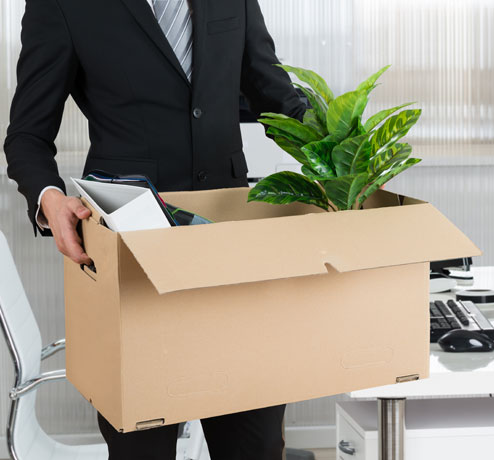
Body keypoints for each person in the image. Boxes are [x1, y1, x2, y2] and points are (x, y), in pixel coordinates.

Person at [3, 0, 306, 458]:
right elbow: (26, 134)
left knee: (257, 442)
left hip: (232, 258)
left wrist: (346, 154)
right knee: (141, 449)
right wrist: (49, 197)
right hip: (131, 260)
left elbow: (272, 91)